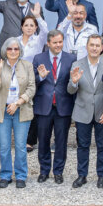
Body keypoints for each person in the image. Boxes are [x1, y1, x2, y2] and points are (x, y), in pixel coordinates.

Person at [67, 33, 103, 189]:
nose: (94, 48)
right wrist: (73, 82)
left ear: (101, 48)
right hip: (82, 111)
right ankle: (82, 175)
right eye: (91, 45)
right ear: (87, 47)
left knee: (102, 146)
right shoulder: (76, 65)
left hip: (102, 112)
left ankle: (101, 175)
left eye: (97, 45)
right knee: (83, 146)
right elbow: (71, 91)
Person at [0, 39, 35, 189]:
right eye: (10, 49)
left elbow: (31, 88)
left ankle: (21, 176)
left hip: (21, 110)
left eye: (16, 48)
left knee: (21, 146)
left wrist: (18, 103)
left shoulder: (27, 65)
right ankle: (5, 175)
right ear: (5, 50)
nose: (13, 51)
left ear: (20, 50)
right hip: (2, 110)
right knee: (4, 146)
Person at [32, 29, 75, 183]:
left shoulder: (71, 58)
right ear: (48, 43)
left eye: (60, 42)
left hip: (63, 106)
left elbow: (73, 82)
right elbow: (32, 82)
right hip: (44, 106)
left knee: (61, 141)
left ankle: (58, 171)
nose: (58, 45)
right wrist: (41, 77)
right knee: (43, 140)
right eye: (55, 42)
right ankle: (44, 170)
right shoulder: (39, 58)